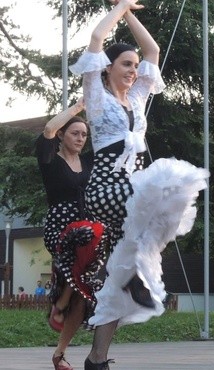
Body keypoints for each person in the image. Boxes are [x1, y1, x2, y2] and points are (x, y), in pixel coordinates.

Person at [69, 1, 208, 369]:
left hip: (134, 187)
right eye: (125, 65)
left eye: (134, 66)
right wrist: (119, 6)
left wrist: (132, 13)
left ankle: (96, 358)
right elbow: (98, 37)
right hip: (108, 188)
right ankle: (130, 277)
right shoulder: (96, 96)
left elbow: (152, 51)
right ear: (108, 68)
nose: (133, 70)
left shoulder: (137, 98)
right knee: (175, 180)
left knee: (123, 271)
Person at [36, 99, 106, 370]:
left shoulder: (89, 161)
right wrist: (79, 107)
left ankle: (59, 353)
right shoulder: (50, 160)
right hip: (61, 228)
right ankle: (61, 300)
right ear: (63, 135)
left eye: (84, 135)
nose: (80, 138)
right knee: (83, 236)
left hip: (87, 229)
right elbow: (48, 129)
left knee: (84, 294)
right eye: (75, 133)